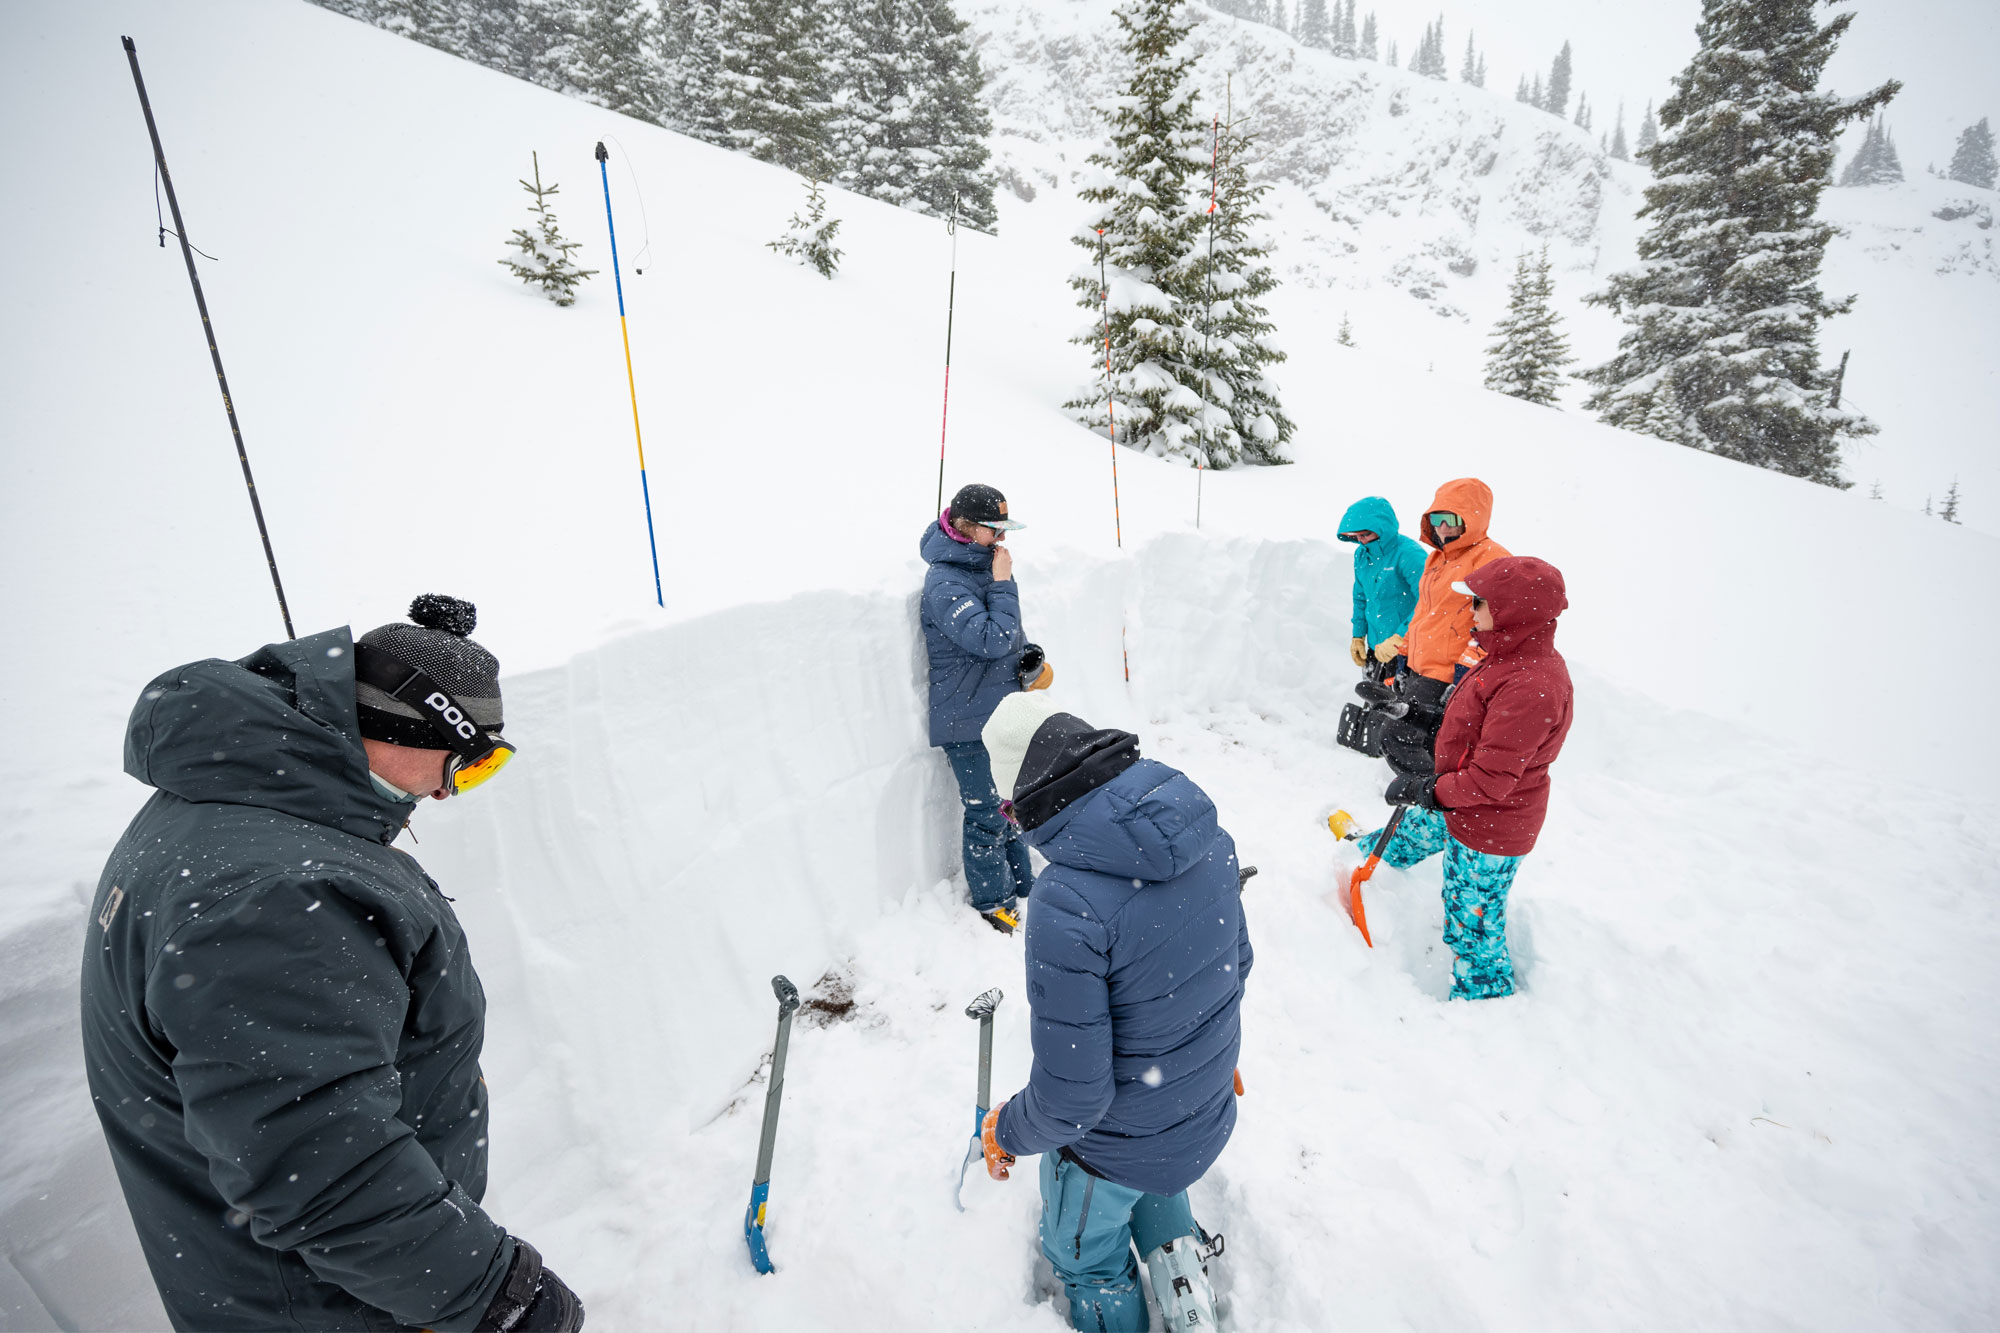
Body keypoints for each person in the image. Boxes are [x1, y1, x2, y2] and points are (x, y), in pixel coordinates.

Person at [79, 595, 583, 1333]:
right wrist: (499, 1295)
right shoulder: (279, 893)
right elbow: (323, 1170)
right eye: (465, 764)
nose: (448, 791)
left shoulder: (229, 800)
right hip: (326, 1302)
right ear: (402, 727)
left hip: (314, 1279)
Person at [974, 692, 1249, 1332]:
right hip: (1200, 1113)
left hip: (1113, 1148)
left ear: (1026, 798)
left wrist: (1005, 1130)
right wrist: (1210, 1065)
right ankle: (1183, 1281)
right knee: (1157, 1178)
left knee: (1086, 1258)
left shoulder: (1065, 902)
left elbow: (1073, 1101)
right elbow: (1236, 964)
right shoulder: (1207, 837)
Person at [1365, 557, 1573, 1000]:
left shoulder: (1529, 684)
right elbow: (1472, 726)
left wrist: (1427, 790)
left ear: (1511, 611)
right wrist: (1411, 712)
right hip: (1461, 801)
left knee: (1471, 921)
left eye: (1479, 603)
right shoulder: (1505, 658)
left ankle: (1485, 999)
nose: (1471, 611)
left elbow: (1492, 779)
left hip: (1490, 827)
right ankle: (1366, 864)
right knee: (1409, 835)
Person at [920, 482, 1052, 934]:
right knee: (985, 813)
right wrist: (1001, 584)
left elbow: (1007, 636)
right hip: (967, 718)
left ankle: (1021, 883)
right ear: (965, 526)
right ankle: (993, 900)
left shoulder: (983, 568)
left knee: (1010, 805)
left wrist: (1027, 656)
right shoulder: (944, 581)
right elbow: (988, 639)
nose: (1001, 539)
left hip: (998, 711)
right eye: (993, 530)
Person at [1380, 478, 1513, 773]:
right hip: (1420, 666)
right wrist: (1404, 656)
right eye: (1436, 518)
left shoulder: (1493, 559)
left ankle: (1433, 800)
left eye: (1451, 519)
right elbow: (1423, 612)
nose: (1442, 527)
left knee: (1397, 737)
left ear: (1473, 517)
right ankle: (1442, 801)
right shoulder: (1436, 559)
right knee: (1433, 741)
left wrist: (1465, 674)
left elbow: (1495, 625)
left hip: (1447, 673)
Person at [1338, 495, 1428, 682]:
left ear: (1382, 528)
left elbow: (1428, 601)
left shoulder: (1410, 554)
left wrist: (1400, 638)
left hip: (1406, 650)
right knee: (1374, 702)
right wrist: (1358, 635)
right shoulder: (1362, 555)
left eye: (1365, 535)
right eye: (1356, 537)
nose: (1361, 541)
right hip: (1376, 647)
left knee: (1400, 707)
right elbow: (1361, 597)